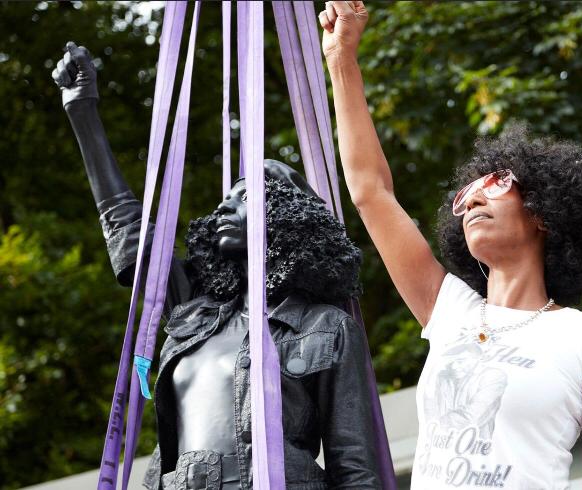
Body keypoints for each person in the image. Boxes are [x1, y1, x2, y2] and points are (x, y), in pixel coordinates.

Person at [318, 2, 582, 489]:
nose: (472, 200)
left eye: (497, 183)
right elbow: (370, 192)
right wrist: (342, 60)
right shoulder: (450, 311)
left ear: (544, 212)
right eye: (465, 196)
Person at [52, 42, 380, 490]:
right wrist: (82, 112)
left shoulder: (326, 328)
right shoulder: (192, 312)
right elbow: (130, 236)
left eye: (244, 197)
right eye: (224, 200)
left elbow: (356, 467)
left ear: (285, 214)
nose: (224, 208)